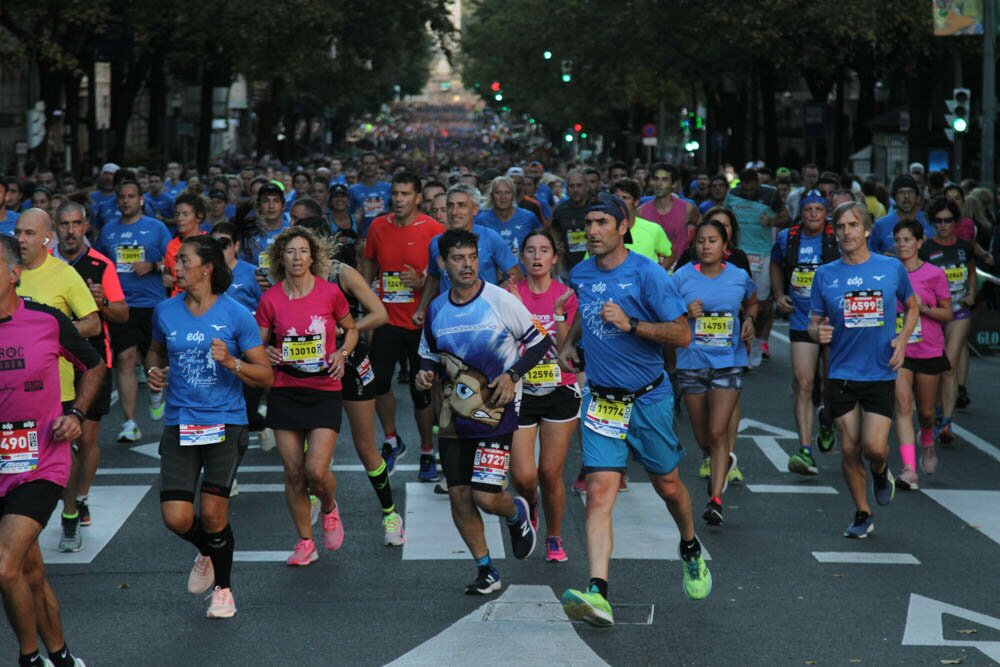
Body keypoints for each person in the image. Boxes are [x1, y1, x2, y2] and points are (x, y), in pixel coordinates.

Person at [558, 193, 711, 628]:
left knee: (668, 486)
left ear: (623, 227)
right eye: (588, 222)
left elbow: (682, 335)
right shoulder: (582, 272)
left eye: (602, 222)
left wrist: (632, 325)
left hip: (648, 397)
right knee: (600, 493)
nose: (592, 230)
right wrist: (571, 342)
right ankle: (598, 592)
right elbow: (584, 313)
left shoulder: (647, 274)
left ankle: (689, 546)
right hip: (603, 400)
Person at [415, 228, 550, 595]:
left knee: (486, 497)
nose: (467, 265)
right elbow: (428, 353)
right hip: (453, 418)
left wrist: (512, 375)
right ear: (443, 264)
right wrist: (425, 373)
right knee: (459, 495)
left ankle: (515, 513)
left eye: (472, 257)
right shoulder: (437, 309)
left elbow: (540, 342)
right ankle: (486, 568)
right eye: (458, 259)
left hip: (496, 412)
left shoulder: (499, 300)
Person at [146, 236, 272, 619]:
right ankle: (207, 549)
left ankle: (224, 589)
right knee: (177, 517)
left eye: (184, 261)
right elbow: (155, 350)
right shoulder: (165, 311)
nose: (176, 268)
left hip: (226, 422)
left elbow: (264, 374)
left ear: (207, 268)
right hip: (180, 423)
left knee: (215, 514)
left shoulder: (236, 314)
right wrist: (154, 371)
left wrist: (232, 362)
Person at [0, 233, 104, 667]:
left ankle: (29, 660)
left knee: (5, 566)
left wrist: (77, 414)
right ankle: (61, 656)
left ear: (13, 273)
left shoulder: (45, 320)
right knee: (30, 572)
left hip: (40, 459)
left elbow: (94, 364)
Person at [808, 202, 919, 538]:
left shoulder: (890, 268)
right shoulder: (825, 274)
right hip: (841, 372)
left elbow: (912, 305)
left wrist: (901, 339)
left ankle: (881, 470)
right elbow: (813, 322)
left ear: (867, 230)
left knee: (873, 447)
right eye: (840, 226)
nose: (846, 232)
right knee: (849, 446)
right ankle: (862, 512)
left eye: (853, 225)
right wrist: (818, 332)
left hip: (880, 370)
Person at [255, 227, 358, 565]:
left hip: (324, 389)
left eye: (303, 252)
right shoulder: (270, 300)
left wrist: (342, 353)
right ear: (280, 258)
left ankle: (328, 507)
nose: (297, 258)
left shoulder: (329, 293)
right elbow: (259, 344)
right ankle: (304, 541)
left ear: (313, 257)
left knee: (316, 471)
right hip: (286, 389)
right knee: (294, 472)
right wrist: (266, 353)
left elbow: (352, 328)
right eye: (290, 252)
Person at [51, 201, 129, 551]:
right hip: (53, 366)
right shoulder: (42, 265)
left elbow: (122, 314)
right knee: (62, 440)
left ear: (86, 226)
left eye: (76, 223)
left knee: (86, 438)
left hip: (94, 361)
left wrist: (103, 304)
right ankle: (66, 506)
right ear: (56, 227)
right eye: (64, 223)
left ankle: (80, 496)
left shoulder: (101, 264)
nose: (70, 230)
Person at [673, 219, 757, 525]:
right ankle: (720, 459)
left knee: (718, 431)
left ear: (725, 246)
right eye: (701, 241)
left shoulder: (738, 276)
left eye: (712, 241)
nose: (706, 246)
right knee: (703, 436)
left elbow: (752, 301)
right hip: (691, 362)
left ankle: (715, 498)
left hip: (728, 360)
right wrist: (684, 311)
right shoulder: (681, 277)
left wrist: (749, 319)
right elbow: (664, 312)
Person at [362, 172, 445, 480]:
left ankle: (427, 451)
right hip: (386, 319)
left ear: (418, 197)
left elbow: (441, 276)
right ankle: (392, 439)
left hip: (420, 322)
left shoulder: (434, 230)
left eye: (405, 194)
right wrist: (367, 291)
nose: (398, 199)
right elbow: (369, 260)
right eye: (395, 194)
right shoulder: (378, 226)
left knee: (420, 392)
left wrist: (423, 282)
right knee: (378, 383)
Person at [509, 229, 580, 562]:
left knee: (551, 473)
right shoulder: (510, 294)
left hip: (560, 389)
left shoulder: (567, 294)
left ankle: (554, 537)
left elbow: (566, 349)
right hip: (521, 390)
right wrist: (516, 309)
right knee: (523, 477)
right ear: (521, 257)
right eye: (530, 250)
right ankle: (530, 503)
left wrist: (557, 315)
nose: (537, 257)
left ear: (555, 257)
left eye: (544, 251)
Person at [769, 191, 841, 475]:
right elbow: (776, 264)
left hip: (833, 319)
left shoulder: (838, 236)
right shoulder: (789, 237)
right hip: (801, 318)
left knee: (833, 383)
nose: (813, 214)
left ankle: (827, 418)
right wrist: (778, 294)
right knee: (804, 383)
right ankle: (805, 449)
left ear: (826, 213)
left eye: (818, 210)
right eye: (808, 209)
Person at [98, 179, 172, 442]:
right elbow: (100, 263)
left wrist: (153, 266)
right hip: (122, 305)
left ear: (141, 200)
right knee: (125, 359)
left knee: (155, 358)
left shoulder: (157, 228)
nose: (126, 200)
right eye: (122, 196)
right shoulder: (108, 231)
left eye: (131, 196)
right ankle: (130, 422)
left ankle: (155, 392)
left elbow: (173, 260)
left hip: (152, 303)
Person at [891, 220, 952, 490]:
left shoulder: (934, 274)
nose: (902, 245)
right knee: (904, 407)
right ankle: (908, 468)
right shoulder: (889, 272)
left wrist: (922, 307)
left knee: (926, 411)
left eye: (907, 240)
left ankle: (926, 438)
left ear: (919, 242)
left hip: (928, 348)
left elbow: (947, 313)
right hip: (899, 349)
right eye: (898, 240)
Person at [919, 196, 975, 445]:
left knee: (949, 366)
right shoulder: (926, 249)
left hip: (959, 311)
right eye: (938, 221)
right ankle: (938, 411)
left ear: (956, 221)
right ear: (932, 223)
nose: (943, 225)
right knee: (936, 368)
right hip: (933, 313)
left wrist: (972, 292)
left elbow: (972, 271)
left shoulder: (964, 247)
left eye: (948, 220)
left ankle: (947, 422)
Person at [725, 168, 789, 367]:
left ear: (758, 185)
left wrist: (771, 221)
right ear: (741, 185)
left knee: (760, 304)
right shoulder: (732, 195)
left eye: (754, 189)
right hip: (738, 253)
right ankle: (736, 346)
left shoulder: (770, 194)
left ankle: (757, 345)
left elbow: (787, 218)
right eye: (746, 189)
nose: (750, 192)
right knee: (735, 300)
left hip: (763, 254)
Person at [637, 163, 699, 268]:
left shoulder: (688, 209)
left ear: (674, 184)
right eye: (656, 179)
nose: (659, 184)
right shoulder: (641, 212)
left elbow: (699, 238)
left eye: (664, 179)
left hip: (681, 270)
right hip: (652, 271)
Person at [475, 175, 541, 257]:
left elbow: (541, 244)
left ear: (513, 195)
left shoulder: (529, 218)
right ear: (492, 195)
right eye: (498, 193)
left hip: (523, 269)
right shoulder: (481, 221)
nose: (503, 197)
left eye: (507, 193)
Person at [162, 193, 209, 299]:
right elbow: (168, 275)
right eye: (177, 214)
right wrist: (167, 280)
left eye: (185, 214)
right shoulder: (171, 245)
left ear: (199, 217)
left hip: (202, 302)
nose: (179, 219)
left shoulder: (209, 244)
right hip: (176, 302)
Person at [870, 175, 932, 256]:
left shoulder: (931, 221)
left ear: (917, 197)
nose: (906, 197)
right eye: (901, 193)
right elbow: (870, 254)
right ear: (894, 198)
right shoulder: (880, 225)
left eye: (911, 192)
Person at [551, 170, 592, 272]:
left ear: (586, 187)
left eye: (579, 185)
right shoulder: (560, 210)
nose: (575, 189)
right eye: (571, 186)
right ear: (566, 189)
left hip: (593, 264)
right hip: (568, 267)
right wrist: (556, 245)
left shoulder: (596, 208)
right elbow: (554, 234)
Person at [348, 151, 391, 239]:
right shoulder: (352, 190)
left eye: (372, 163)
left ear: (377, 166)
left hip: (386, 237)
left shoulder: (388, 188)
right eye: (365, 163)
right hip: (362, 239)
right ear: (361, 166)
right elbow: (348, 217)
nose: (369, 166)